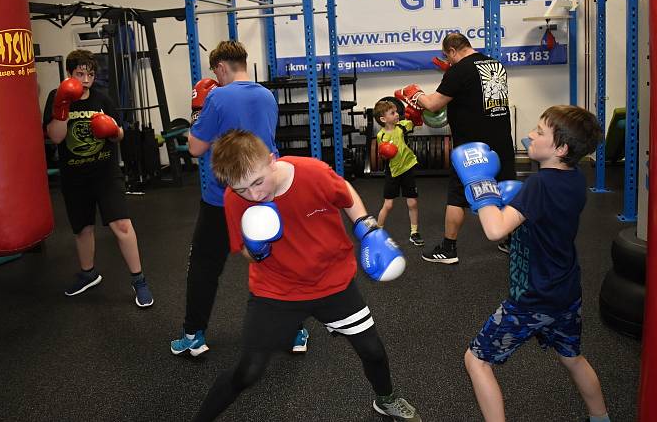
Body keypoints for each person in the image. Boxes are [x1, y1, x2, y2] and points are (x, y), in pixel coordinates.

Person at [190, 129, 419, 422]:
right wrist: (256, 250)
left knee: (373, 351)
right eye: (242, 189)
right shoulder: (235, 201)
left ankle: (385, 399)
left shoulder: (312, 173)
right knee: (248, 372)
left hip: (332, 282)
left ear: (272, 160)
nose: (254, 195)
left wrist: (367, 227)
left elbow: (345, 192)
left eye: (258, 182)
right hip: (277, 291)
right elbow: (242, 251)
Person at [454, 105, 609, 422]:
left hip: (532, 298)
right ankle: (601, 417)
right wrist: (513, 199)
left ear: (561, 148)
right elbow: (542, 212)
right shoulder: (576, 180)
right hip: (566, 290)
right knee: (572, 357)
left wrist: (481, 184)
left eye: (540, 132)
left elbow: (495, 229)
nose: (530, 135)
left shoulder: (539, 186)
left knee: (476, 360)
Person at [169, 40, 309, 357]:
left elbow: (194, 148)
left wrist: (196, 111)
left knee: (205, 266)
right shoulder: (266, 95)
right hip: (264, 192)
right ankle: (296, 330)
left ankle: (193, 335)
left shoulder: (216, 95)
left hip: (224, 197)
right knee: (278, 260)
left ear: (220, 68)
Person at [43, 49, 153, 307]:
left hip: (105, 173)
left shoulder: (103, 100)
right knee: (82, 229)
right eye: (79, 74)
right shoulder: (55, 98)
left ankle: (139, 281)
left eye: (89, 74)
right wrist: (62, 106)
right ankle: (88, 273)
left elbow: (120, 136)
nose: (85, 79)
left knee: (122, 226)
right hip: (74, 175)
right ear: (69, 74)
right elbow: (56, 137)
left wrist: (112, 129)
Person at [397, 32, 515, 264]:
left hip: (472, 147)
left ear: (452, 50)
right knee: (505, 189)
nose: (448, 61)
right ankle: (512, 240)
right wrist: (450, 72)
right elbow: (476, 91)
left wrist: (414, 93)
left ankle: (448, 249)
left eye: (448, 56)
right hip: (501, 140)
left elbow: (433, 104)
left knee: (457, 196)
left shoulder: (459, 71)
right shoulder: (495, 65)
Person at [373, 99, 423, 246]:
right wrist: (385, 153)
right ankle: (378, 232)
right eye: (392, 113)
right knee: (388, 205)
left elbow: (415, 122)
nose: (397, 115)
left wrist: (417, 113)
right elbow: (381, 155)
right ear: (383, 119)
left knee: (413, 202)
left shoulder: (402, 126)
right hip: (393, 171)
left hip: (407, 167)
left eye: (396, 112)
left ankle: (414, 232)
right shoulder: (381, 136)